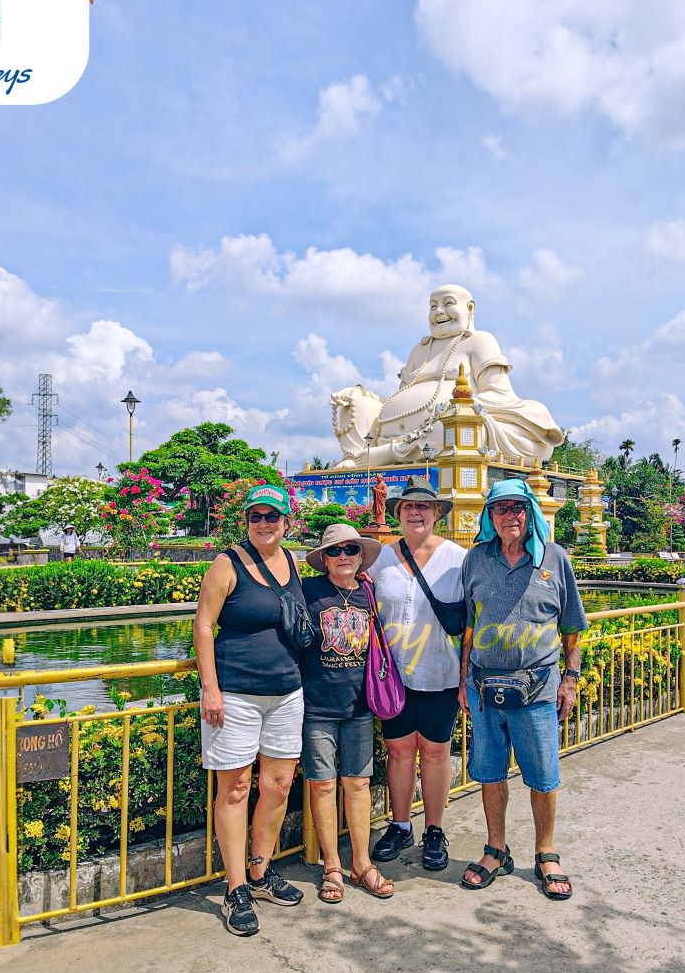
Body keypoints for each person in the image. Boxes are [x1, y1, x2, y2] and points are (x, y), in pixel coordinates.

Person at [458, 478, 589, 900]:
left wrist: (569, 680)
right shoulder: (476, 559)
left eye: (517, 507)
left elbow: (572, 626)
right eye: (500, 509)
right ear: (489, 516)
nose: (509, 516)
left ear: (530, 511)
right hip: (484, 687)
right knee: (491, 773)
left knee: (543, 776)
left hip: (537, 687)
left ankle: (545, 852)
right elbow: (468, 623)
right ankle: (496, 848)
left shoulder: (555, 558)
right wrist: (463, 679)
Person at [193, 484, 305, 936]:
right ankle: (235, 886)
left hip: (287, 692)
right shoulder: (227, 563)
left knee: (277, 786)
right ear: (246, 521)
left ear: (285, 522)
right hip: (236, 693)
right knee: (236, 787)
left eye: (272, 517)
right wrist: (210, 688)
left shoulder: (292, 560)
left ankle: (260, 871)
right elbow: (203, 625)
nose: (264, 524)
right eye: (256, 517)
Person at [330, 284, 563, 467]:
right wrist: (361, 394)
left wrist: (450, 408)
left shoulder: (479, 341)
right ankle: (358, 456)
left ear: (470, 309)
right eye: (433, 306)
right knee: (355, 403)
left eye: (448, 304)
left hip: (442, 429)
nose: (439, 312)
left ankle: (382, 455)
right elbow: (400, 396)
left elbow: (499, 394)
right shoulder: (420, 349)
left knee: (457, 430)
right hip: (396, 432)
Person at [370, 476, 466, 871]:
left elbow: (474, 619)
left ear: (437, 514)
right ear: (397, 513)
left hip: (440, 672)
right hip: (393, 677)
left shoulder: (459, 559)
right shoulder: (380, 560)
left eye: (423, 507)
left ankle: (434, 828)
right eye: (407, 507)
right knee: (399, 750)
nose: (415, 512)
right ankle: (400, 823)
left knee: (436, 750)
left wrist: (467, 676)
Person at [300, 523, 394, 902]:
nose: (343, 557)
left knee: (357, 783)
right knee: (322, 784)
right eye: (335, 551)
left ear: (361, 556)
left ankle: (361, 863)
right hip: (317, 705)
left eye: (350, 550)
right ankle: (332, 865)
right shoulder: (308, 590)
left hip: (358, 705)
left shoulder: (368, 593)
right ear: (323, 558)